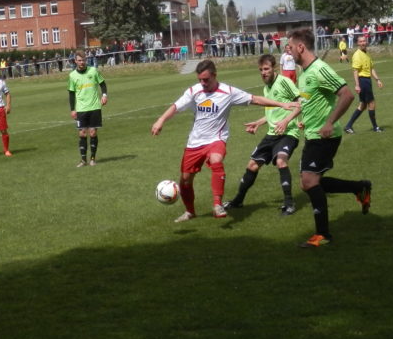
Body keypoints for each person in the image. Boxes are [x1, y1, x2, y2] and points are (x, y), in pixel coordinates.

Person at [150, 59, 295, 223]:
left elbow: (255, 99)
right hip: (195, 142)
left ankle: (217, 205)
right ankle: (190, 212)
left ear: (214, 75)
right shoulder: (194, 91)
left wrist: (281, 104)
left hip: (216, 139)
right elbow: (176, 107)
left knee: (216, 160)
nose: (203, 83)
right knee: (184, 180)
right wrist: (160, 120)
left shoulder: (228, 92)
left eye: (206, 79)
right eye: (200, 80)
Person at [283, 28, 371, 247]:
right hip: (312, 133)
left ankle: (323, 234)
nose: (288, 51)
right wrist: (303, 118)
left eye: (291, 47)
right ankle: (359, 187)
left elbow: (347, 94)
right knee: (313, 182)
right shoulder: (304, 73)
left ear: (301, 47)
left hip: (324, 136)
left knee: (309, 181)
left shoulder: (319, 69)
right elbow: (308, 100)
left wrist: (329, 122)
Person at [224, 54, 302, 215]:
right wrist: (259, 122)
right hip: (272, 133)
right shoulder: (266, 88)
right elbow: (274, 111)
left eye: (266, 69)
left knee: (281, 161)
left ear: (273, 68)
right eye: (260, 70)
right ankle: (238, 201)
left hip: (288, 132)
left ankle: (289, 203)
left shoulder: (284, 82)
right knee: (252, 165)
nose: (263, 72)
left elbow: (300, 104)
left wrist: (287, 121)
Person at [68, 50, 108, 167]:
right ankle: (83, 160)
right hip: (81, 109)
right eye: (79, 60)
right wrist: (72, 109)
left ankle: (93, 159)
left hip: (94, 106)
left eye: (83, 60)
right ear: (75, 61)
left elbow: (102, 83)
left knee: (93, 132)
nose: (82, 62)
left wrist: (104, 95)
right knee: (82, 133)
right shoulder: (72, 76)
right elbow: (71, 93)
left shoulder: (93, 71)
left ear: (86, 60)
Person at [344, 36, 384, 133]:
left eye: (364, 41)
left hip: (367, 80)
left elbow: (371, 68)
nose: (363, 43)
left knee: (362, 105)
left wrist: (377, 80)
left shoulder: (367, 53)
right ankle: (375, 127)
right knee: (371, 103)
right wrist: (357, 85)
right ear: (358, 43)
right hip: (363, 81)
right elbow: (355, 71)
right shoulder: (357, 55)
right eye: (361, 41)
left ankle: (348, 126)